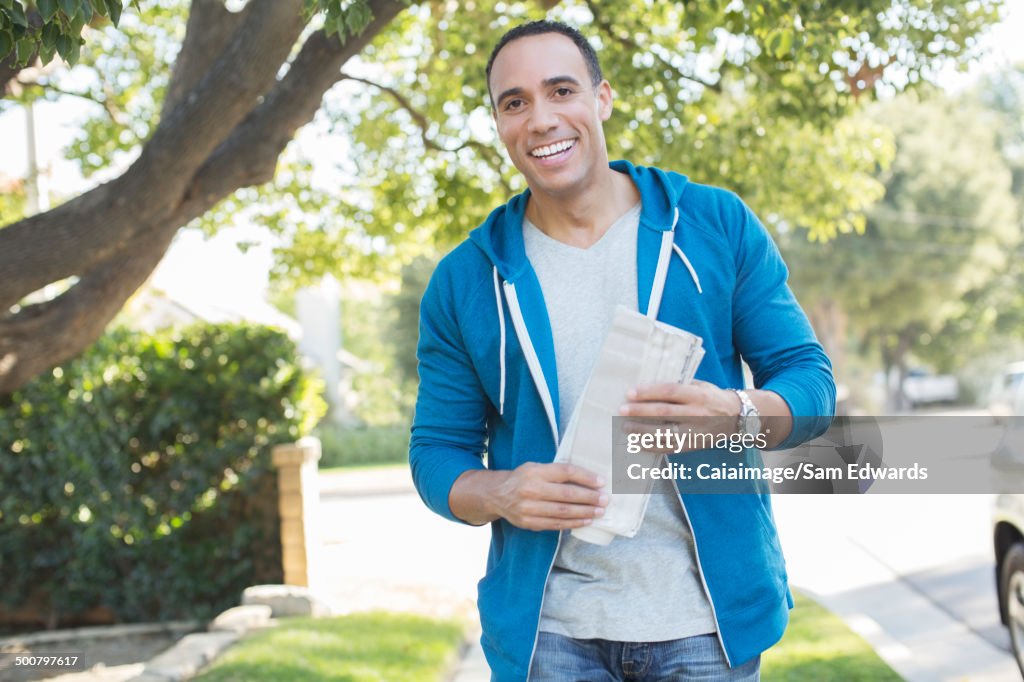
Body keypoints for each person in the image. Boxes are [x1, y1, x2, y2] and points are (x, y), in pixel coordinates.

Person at [410, 19, 835, 682]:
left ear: (603, 98)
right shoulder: (465, 280)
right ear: (497, 122)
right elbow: (436, 454)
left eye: (561, 90)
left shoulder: (712, 224)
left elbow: (811, 384)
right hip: (551, 636)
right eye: (514, 102)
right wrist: (503, 492)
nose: (541, 119)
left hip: (705, 626)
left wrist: (737, 413)